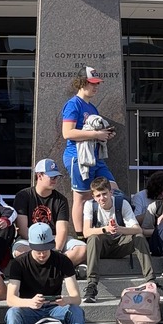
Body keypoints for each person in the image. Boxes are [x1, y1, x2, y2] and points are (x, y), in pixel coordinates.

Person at [59, 69, 118, 225]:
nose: (96, 87)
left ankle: (110, 227)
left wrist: (105, 134)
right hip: (78, 157)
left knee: (113, 190)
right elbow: (67, 133)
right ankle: (81, 235)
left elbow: (94, 132)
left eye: (97, 83)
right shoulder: (73, 104)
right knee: (82, 197)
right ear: (82, 83)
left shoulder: (92, 107)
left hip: (95, 156)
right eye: (92, 83)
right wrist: (96, 135)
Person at [78, 176, 151, 301]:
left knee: (139, 237)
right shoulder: (90, 205)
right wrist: (106, 229)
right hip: (101, 246)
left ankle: (151, 281)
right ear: (93, 197)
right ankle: (92, 285)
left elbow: (137, 229)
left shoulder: (122, 203)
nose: (102, 198)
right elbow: (86, 232)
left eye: (104, 194)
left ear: (111, 192)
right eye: (98, 195)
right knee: (93, 238)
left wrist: (119, 229)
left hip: (120, 244)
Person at [12, 159, 82, 262]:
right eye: (52, 177)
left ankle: (54, 265)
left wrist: (56, 250)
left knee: (82, 249)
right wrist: (40, 246)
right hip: (30, 239)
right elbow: (22, 229)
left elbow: (62, 230)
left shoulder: (61, 200)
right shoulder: (23, 196)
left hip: (53, 238)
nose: (55, 180)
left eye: (56, 177)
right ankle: (57, 266)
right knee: (20, 251)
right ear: (39, 176)